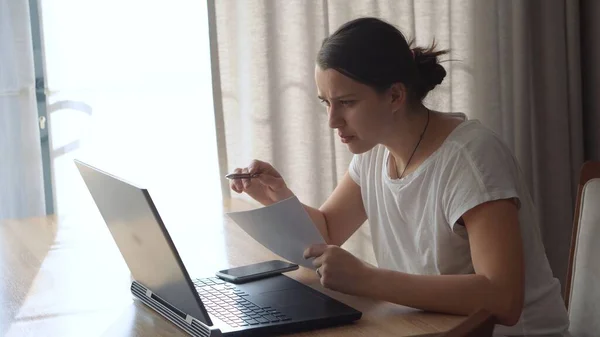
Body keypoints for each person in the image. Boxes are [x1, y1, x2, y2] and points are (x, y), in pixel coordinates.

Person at [229, 17, 570, 336]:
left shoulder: (472, 159)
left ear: (394, 95)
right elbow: (328, 233)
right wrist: (277, 195)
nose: (332, 120)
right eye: (326, 103)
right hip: (432, 328)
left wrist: (368, 279)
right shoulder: (376, 151)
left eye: (346, 102)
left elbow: (503, 299)